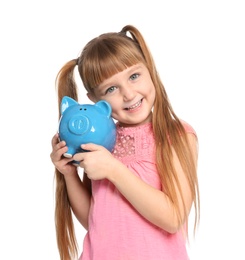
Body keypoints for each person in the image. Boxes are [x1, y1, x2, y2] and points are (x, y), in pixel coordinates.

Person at [50, 24, 200, 260]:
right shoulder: (101, 140)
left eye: (134, 76)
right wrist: (69, 174)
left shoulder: (177, 135)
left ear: (149, 69)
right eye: (111, 88)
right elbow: (94, 218)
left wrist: (113, 169)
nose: (128, 94)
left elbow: (173, 218)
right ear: (96, 101)